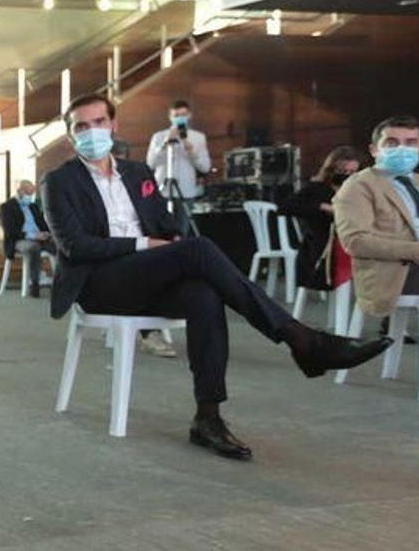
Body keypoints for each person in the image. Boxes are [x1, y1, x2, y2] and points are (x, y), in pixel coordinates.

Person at [43, 94, 390, 460]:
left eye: (99, 122)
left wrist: (168, 242)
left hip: (147, 276)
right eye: (82, 126)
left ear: (114, 125)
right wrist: (147, 244)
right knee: (199, 249)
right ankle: (302, 340)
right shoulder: (58, 182)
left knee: (203, 294)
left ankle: (208, 417)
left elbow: (166, 225)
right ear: (70, 135)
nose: (92, 131)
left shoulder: (138, 173)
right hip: (99, 284)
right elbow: (75, 246)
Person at [335, 116, 419, 318]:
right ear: (374, 149)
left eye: (410, 143)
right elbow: (356, 242)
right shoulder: (358, 186)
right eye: (392, 142)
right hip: (396, 271)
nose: (402, 149)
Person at [281, 146, 361, 292]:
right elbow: (286, 207)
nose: (347, 175)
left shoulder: (355, 189)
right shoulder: (316, 188)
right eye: (343, 171)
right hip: (323, 243)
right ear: (331, 169)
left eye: (352, 172)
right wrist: (321, 207)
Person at [146, 99, 212, 236]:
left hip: (185, 191)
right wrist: (164, 144)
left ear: (189, 115)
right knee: (161, 231)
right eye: (176, 116)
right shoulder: (159, 136)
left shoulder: (198, 137)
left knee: (182, 232)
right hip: (162, 191)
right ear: (170, 117)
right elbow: (150, 163)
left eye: (183, 115)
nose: (180, 119)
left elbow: (205, 167)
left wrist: (191, 151)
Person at [0, 180, 55, 297]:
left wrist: (47, 233)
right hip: (19, 240)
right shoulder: (7, 207)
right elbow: (10, 232)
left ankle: (61, 281)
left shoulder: (33, 207)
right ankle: (34, 283)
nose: (30, 197)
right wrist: (33, 235)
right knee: (33, 247)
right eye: (28, 193)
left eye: (32, 194)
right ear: (20, 191)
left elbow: (43, 225)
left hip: (39, 238)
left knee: (60, 244)